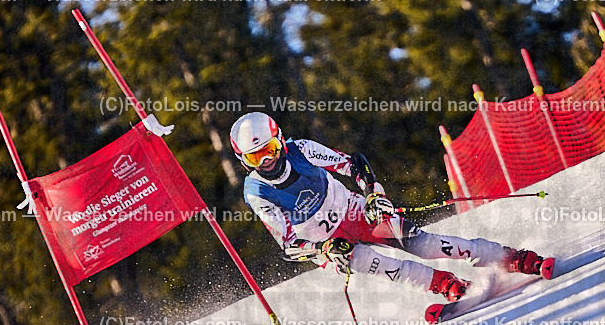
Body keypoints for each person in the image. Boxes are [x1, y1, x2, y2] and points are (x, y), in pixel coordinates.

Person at [230, 112, 552, 312]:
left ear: (281, 142)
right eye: (255, 158)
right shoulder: (256, 191)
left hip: (355, 211)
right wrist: (323, 248)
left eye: (270, 150)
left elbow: (351, 163)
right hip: (329, 245)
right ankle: (447, 285)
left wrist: (372, 194)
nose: (267, 162)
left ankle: (510, 257)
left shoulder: (301, 150)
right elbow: (287, 244)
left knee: (424, 245)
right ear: (244, 161)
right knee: (380, 265)